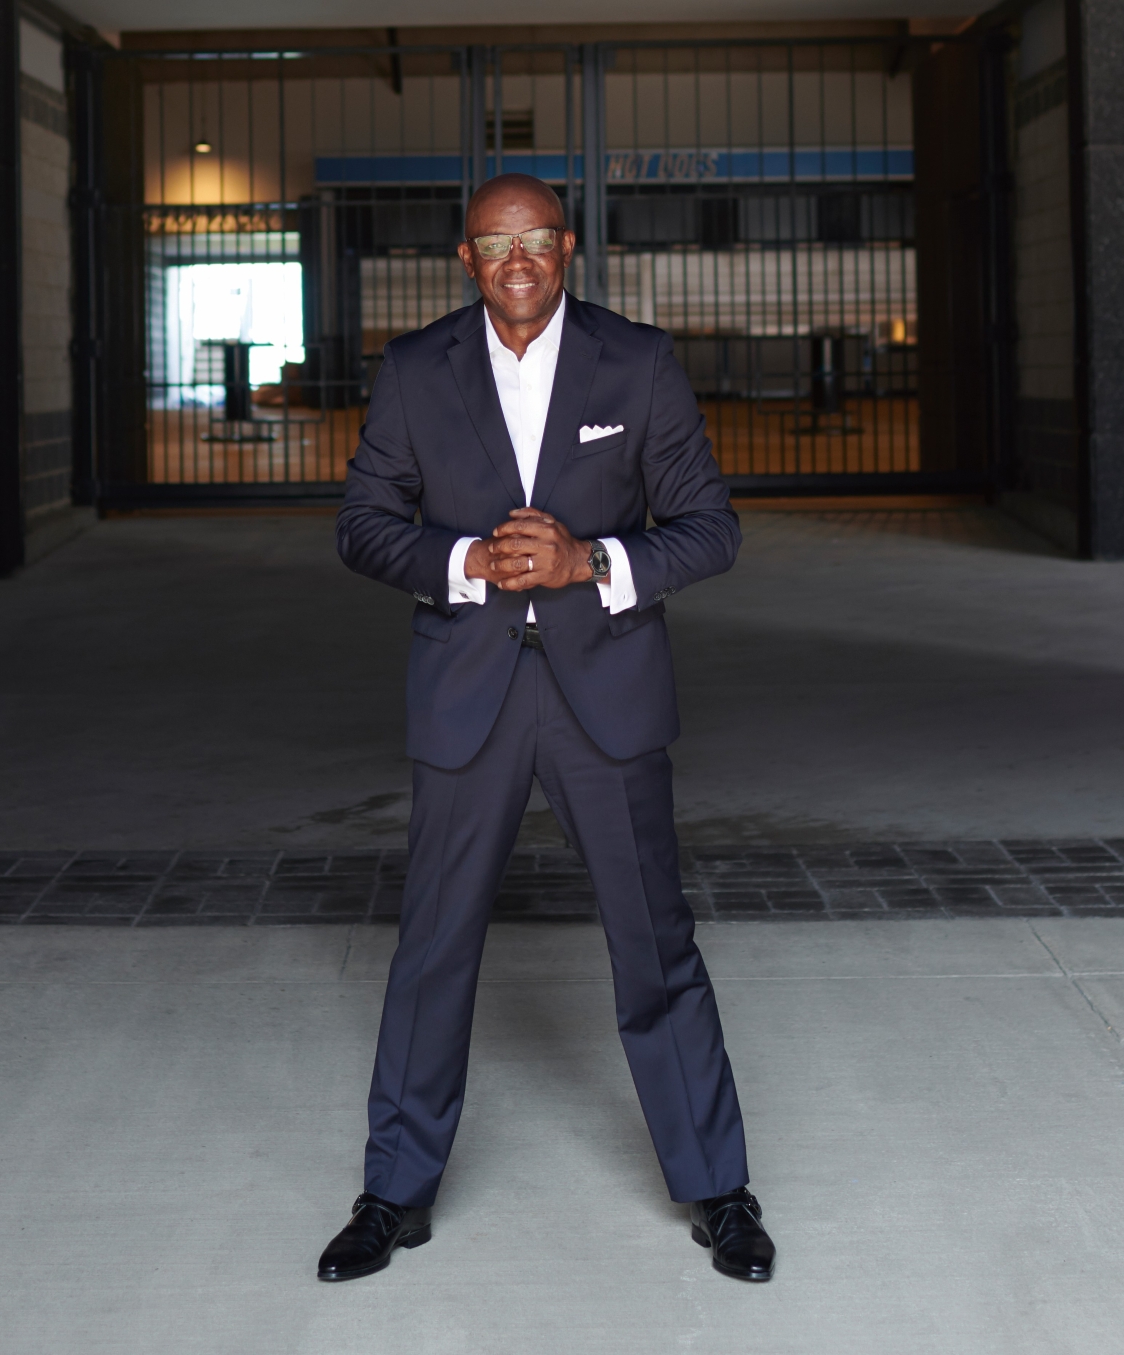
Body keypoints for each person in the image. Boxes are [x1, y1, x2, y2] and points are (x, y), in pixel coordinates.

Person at [323, 173, 774, 1284]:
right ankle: (394, 1190)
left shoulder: (637, 361)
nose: (515, 258)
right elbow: (362, 524)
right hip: (468, 691)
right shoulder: (416, 369)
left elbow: (708, 528)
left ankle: (719, 1186)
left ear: (566, 247)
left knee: (652, 945)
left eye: (535, 238)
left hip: (603, 695)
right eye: (493, 242)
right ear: (465, 259)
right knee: (431, 950)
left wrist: (592, 562)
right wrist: (464, 562)